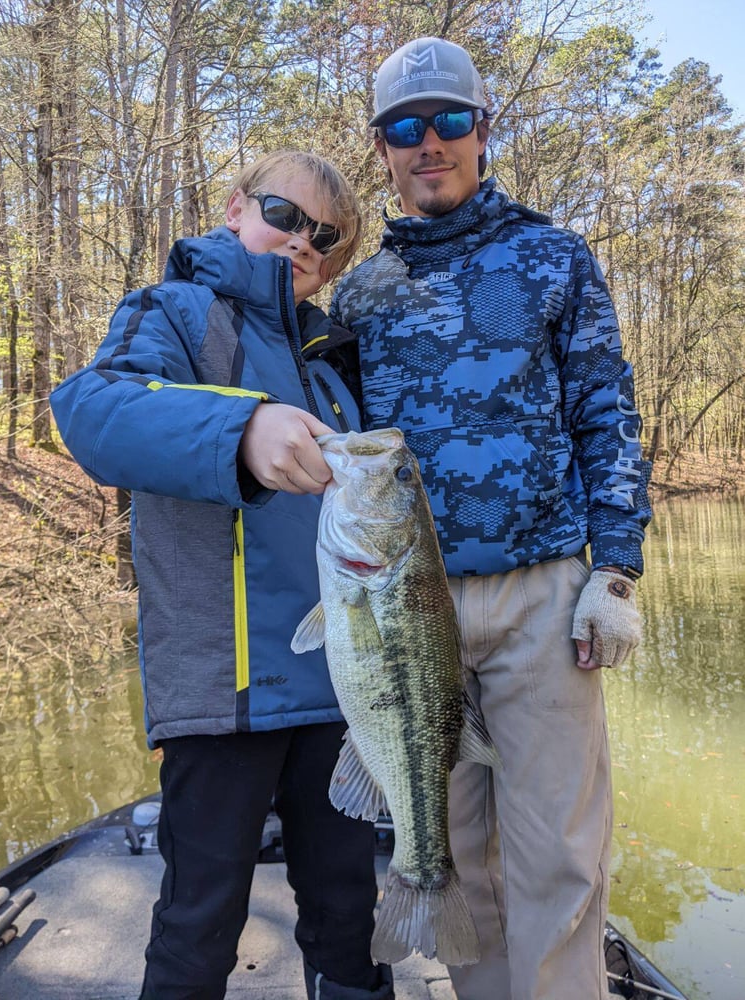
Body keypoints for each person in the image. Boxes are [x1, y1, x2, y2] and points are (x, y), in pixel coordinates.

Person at [330, 38, 653, 1000]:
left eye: (450, 121)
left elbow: (607, 410)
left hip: (543, 598)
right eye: (405, 127)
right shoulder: (360, 292)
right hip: (400, 611)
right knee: (456, 851)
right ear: (383, 147)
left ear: (483, 131)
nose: (430, 143)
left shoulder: (554, 255)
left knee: (556, 848)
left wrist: (617, 566)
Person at [50, 150, 394, 1000]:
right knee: (198, 925)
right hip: (220, 691)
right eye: (285, 213)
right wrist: (243, 429)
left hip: (338, 693)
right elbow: (91, 411)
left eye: (325, 237)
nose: (301, 241)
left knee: (351, 922)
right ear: (237, 207)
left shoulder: (335, 365)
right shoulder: (173, 311)